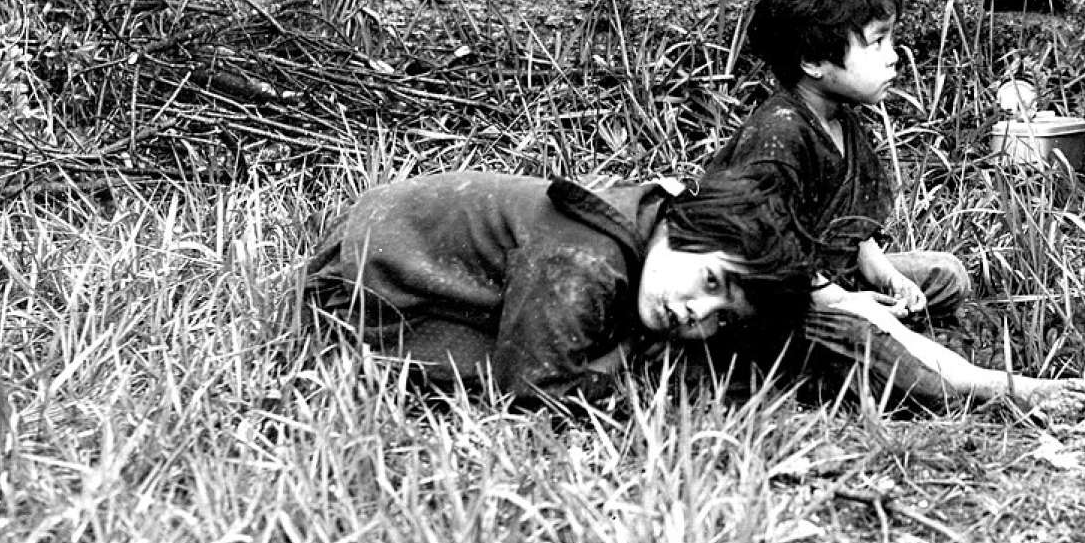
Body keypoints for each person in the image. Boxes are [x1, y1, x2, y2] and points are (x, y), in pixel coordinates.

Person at [710, 0, 1085, 410]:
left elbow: (851, 233)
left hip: (830, 278)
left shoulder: (841, 120)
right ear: (813, 60)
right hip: (776, 305)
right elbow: (759, 255)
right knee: (866, 331)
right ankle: (985, 385)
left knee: (945, 276)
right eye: (876, 42)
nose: (893, 56)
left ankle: (902, 348)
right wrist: (844, 301)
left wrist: (888, 278)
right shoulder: (780, 135)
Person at [300, 169, 811, 407]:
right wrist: (624, 372)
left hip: (406, 249)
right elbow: (533, 390)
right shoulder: (588, 260)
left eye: (722, 317)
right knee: (496, 373)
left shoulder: (647, 222)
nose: (697, 312)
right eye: (711, 281)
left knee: (571, 341)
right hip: (363, 280)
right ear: (682, 225)